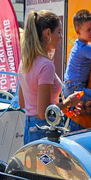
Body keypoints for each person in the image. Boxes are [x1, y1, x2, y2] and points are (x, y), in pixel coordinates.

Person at [18, 10, 80, 143]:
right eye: (58, 32)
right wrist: (69, 101)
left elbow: (23, 103)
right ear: (47, 33)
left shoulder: (25, 62)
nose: (61, 36)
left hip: (30, 128)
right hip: (45, 130)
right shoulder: (46, 65)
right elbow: (43, 112)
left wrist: (63, 106)